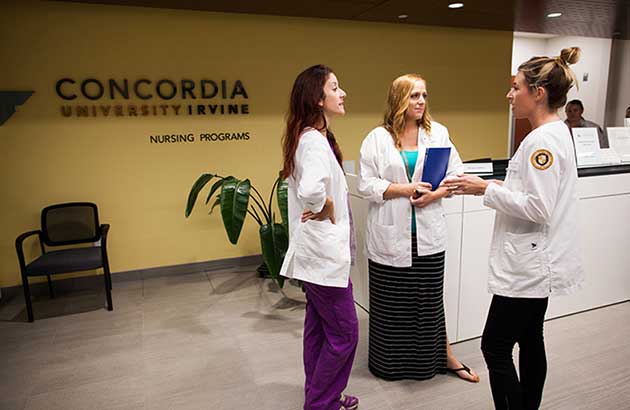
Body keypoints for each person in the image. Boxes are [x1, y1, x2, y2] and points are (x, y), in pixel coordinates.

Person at [443, 47, 585, 409]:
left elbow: (538, 207)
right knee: (530, 337)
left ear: (538, 92)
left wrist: (485, 188)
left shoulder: (543, 141)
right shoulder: (555, 133)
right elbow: (530, 193)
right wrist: (491, 187)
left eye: (516, 87)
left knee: (494, 345)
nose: (509, 95)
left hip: (528, 266)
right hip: (536, 261)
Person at [357, 74, 479, 383]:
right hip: (390, 235)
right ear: (398, 99)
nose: (421, 101)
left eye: (424, 95)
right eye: (413, 96)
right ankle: (390, 366)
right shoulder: (377, 138)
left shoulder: (438, 133)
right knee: (391, 306)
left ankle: (435, 361)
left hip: (427, 235)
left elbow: (456, 174)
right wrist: (404, 189)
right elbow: (366, 184)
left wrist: (435, 195)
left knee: (427, 302)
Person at [279, 65, 359, 410]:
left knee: (320, 330)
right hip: (323, 257)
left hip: (316, 256)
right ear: (318, 98)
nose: (342, 94)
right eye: (335, 88)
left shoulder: (309, 137)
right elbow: (312, 189)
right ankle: (321, 404)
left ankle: (321, 396)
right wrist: (325, 205)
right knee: (345, 334)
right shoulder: (312, 140)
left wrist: (324, 204)